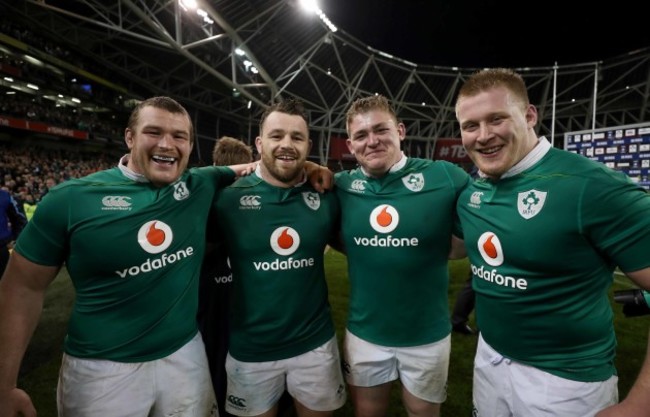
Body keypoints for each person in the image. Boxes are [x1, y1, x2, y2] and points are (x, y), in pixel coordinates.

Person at [0, 96, 329, 417]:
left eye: (179, 136)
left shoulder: (199, 183)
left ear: (189, 145)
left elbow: (264, 165)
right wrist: (4, 386)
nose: (167, 145)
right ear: (129, 137)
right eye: (154, 132)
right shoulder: (70, 200)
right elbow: (21, 288)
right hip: (100, 369)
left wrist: (311, 165)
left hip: (186, 355)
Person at [454, 68, 650, 417]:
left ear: (529, 115)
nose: (483, 136)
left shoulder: (592, 186)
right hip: (489, 359)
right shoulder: (474, 188)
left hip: (565, 383)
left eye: (496, 119)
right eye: (470, 126)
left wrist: (639, 406)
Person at [334, 95, 470, 417]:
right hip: (365, 335)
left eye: (381, 130)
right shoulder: (339, 186)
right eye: (361, 136)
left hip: (427, 337)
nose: (372, 141)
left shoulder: (446, 177)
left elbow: (463, 243)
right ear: (351, 146)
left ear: (401, 131)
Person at [214, 99, 346, 417]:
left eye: (296, 137)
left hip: (315, 345)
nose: (286, 144)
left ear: (308, 145)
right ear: (260, 143)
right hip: (251, 350)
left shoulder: (327, 197)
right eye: (277, 136)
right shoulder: (226, 200)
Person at [0, 188, 27, 276]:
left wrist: (15, 238)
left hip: (2, 246)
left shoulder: (4, 196)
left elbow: (19, 219)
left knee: (6, 281)